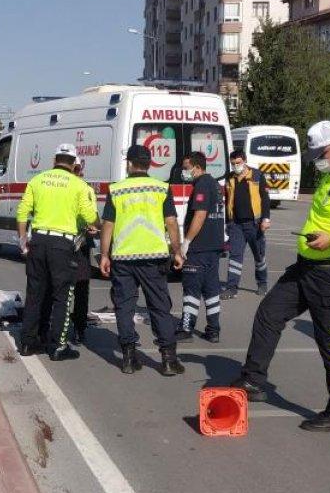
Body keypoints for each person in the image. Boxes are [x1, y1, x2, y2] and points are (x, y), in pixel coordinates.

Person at [232, 121, 330, 432]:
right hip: (307, 268)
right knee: (269, 312)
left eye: (322, 152)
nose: (318, 158)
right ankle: (253, 379)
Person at [99, 145, 185, 376]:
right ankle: (168, 359)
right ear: (149, 164)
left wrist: (104, 255)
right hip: (154, 257)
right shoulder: (161, 188)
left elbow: (108, 225)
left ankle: (128, 358)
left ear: (129, 163)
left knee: (124, 307)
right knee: (159, 307)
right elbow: (171, 222)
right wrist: (177, 251)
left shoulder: (116, 190)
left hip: (123, 258)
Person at [14, 144, 98, 360]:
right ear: (73, 164)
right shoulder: (78, 185)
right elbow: (90, 217)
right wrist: (95, 223)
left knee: (34, 294)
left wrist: (23, 240)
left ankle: (27, 343)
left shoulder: (37, 180)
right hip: (62, 245)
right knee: (62, 296)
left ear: (54, 161)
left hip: (38, 241)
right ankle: (58, 346)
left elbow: (23, 212)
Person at [176, 151, 226, 343]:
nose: (184, 172)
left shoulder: (202, 184)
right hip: (214, 246)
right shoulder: (214, 184)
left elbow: (200, 214)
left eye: (186, 168)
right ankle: (213, 329)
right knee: (211, 290)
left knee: (191, 289)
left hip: (200, 246)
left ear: (197, 167)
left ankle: (186, 327)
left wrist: (186, 242)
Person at [222, 149, 271, 299]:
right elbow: (227, 201)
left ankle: (262, 283)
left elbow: (265, 198)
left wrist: (265, 219)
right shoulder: (229, 178)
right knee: (235, 257)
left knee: (259, 256)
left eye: (238, 163)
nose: (236, 166)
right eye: (233, 164)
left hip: (254, 224)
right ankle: (231, 288)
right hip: (236, 224)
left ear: (244, 161)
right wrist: (227, 223)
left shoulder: (257, 175)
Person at [70, 161, 99, 345]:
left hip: (78, 242)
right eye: (75, 169)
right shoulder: (79, 187)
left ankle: (79, 328)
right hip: (68, 241)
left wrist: (93, 227)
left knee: (80, 287)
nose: (77, 172)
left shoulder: (86, 189)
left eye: (78, 169)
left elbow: (92, 214)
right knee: (67, 288)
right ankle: (65, 328)